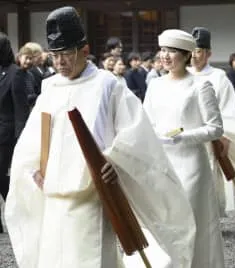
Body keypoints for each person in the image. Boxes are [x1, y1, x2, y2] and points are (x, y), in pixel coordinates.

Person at [5, 7, 196, 268]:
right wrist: (32, 169)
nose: (60, 63)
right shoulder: (50, 87)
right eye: (54, 56)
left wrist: (114, 161)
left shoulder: (108, 85)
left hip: (92, 192)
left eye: (66, 54)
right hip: (53, 195)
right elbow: (33, 138)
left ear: (84, 50)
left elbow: (137, 134)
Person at [143, 29, 225, 268]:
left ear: (187, 55)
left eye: (172, 51)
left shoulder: (200, 85)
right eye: (163, 50)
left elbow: (216, 128)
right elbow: (145, 121)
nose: (166, 56)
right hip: (162, 162)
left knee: (190, 222)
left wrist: (183, 137)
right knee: (164, 220)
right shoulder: (155, 85)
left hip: (192, 166)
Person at [188, 27, 235, 217]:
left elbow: (228, 109)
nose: (194, 55)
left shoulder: (218, 77)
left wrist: (224, 136)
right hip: (187, 136)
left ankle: (208, 218)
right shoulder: (183, 73)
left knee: (208, 178)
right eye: (191, 50)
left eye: (199, 51)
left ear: (208, 53)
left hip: (210, 137)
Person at [0, 32, 30, 233]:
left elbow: (21, 110)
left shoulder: (15, 73)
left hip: (7, 135)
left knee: (2, 177)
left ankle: (20, 213)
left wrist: (21, 138)